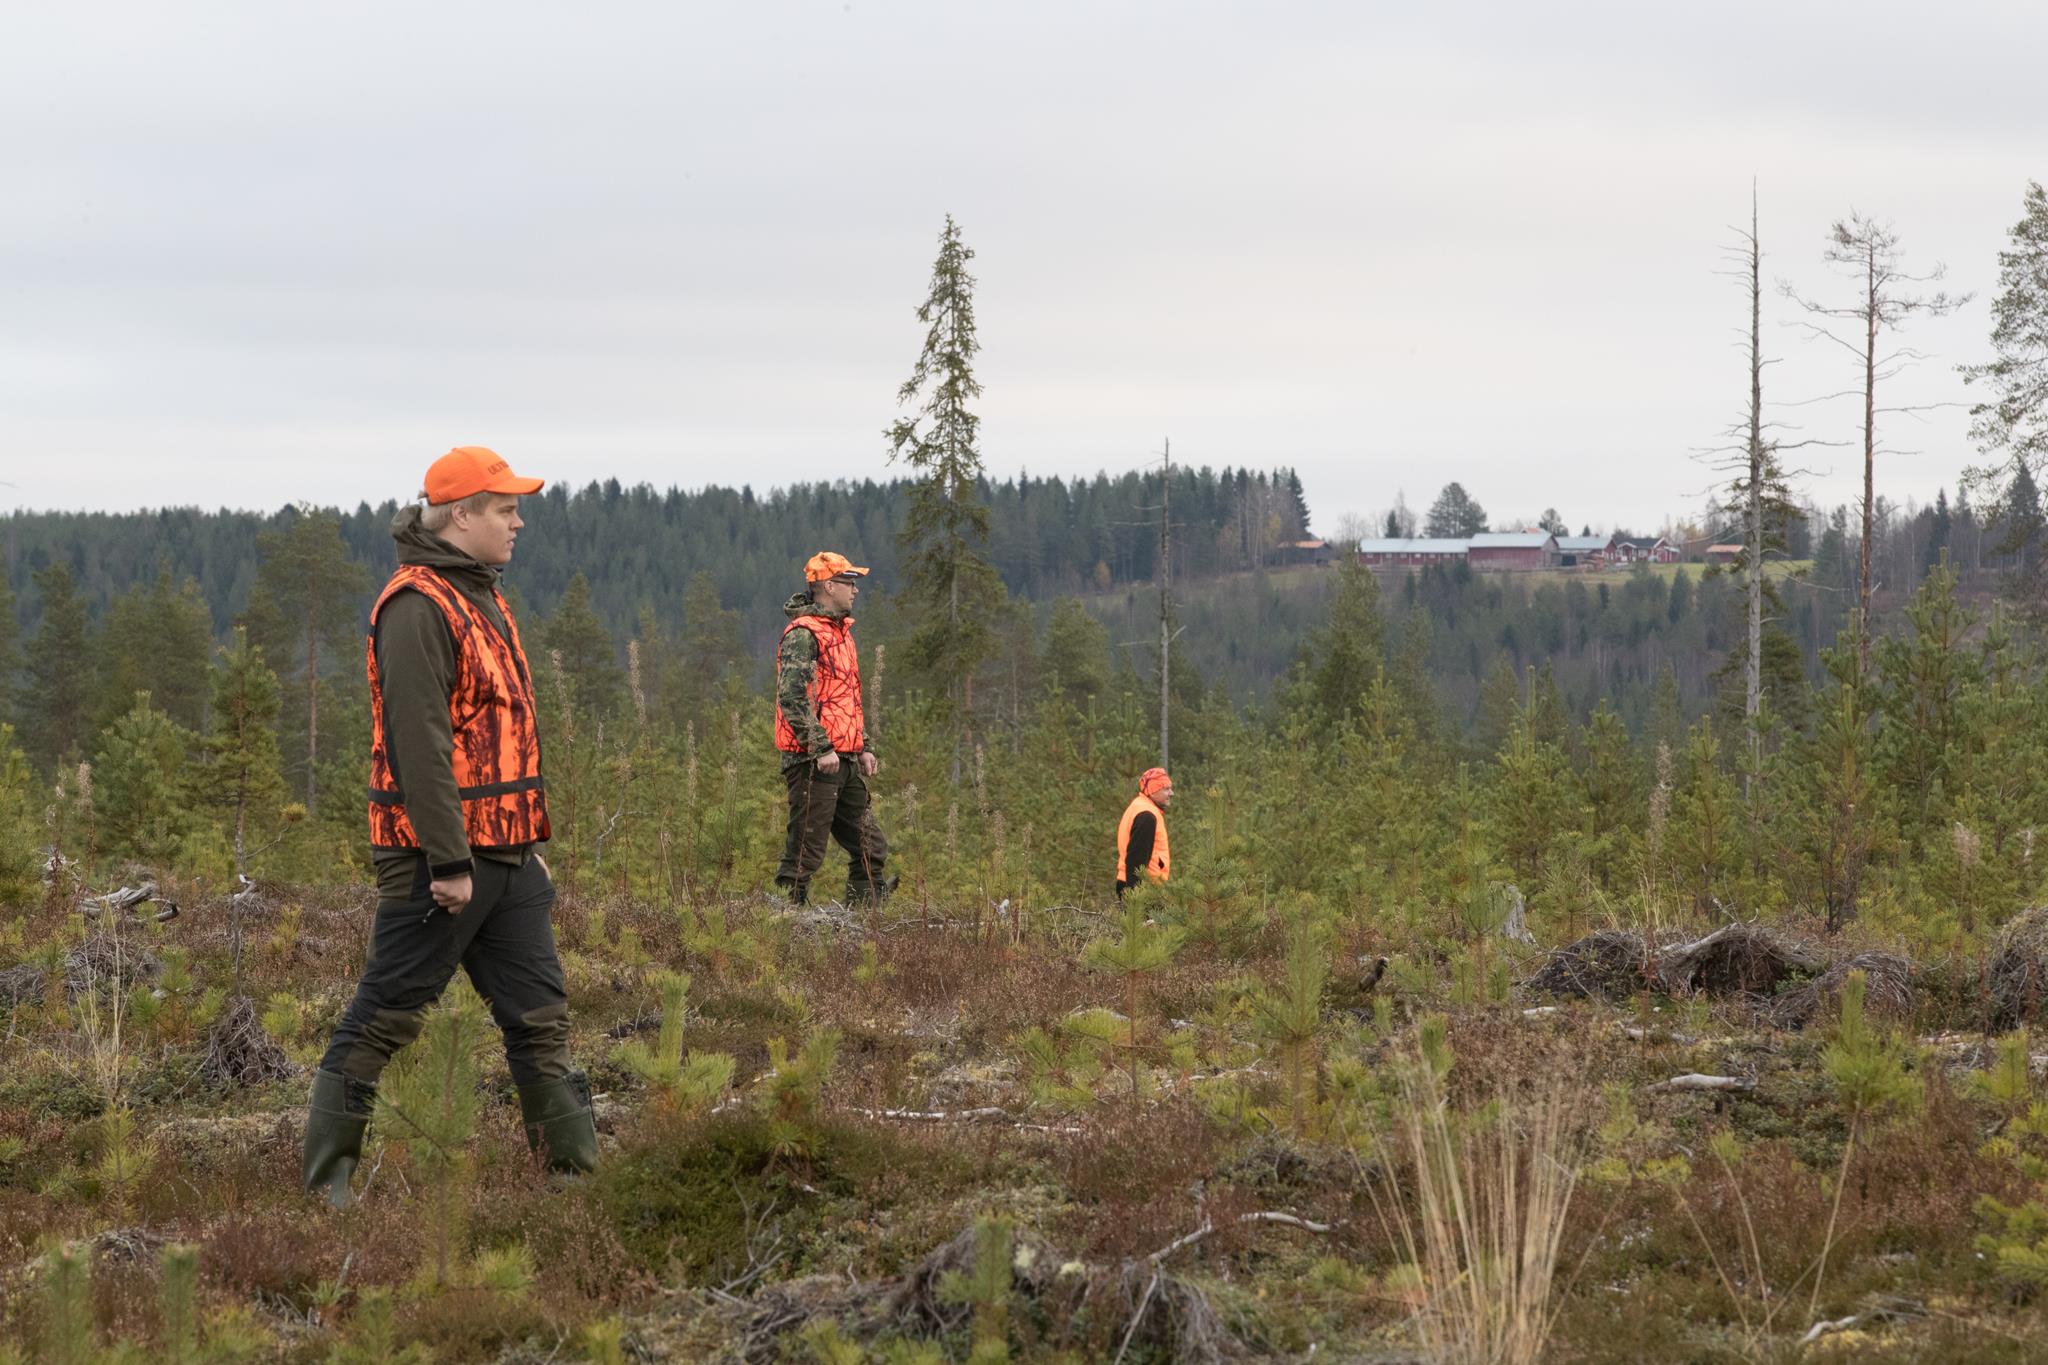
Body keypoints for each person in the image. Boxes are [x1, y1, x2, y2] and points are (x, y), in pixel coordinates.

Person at [302, 446, 596, 1208]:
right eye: (505, 509)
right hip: (441, 865)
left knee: (540, 1018)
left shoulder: (482, 596)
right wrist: (449, 860)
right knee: (385, 1018)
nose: (519, 521)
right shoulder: (415, 607)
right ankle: (325, 1191)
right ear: (461, 514)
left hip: (508, 855)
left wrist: (524, 851)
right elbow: (419, 745)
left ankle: (575, 1185)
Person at [773, 551, 892, 906]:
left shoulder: (840, 634)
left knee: (871, 847)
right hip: (814, 761)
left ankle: (867, 925)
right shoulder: (803, 634)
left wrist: (863, 745)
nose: (854, 590)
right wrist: (820, 748)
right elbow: (791, 696)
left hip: (845, 759)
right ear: (828, 586)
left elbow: (846, 698)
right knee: (804, 852)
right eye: (848, 583)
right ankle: (780, 927)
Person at [1115, 767, 1173, 900]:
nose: (1171, 793)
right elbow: (1136, 860)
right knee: (1142, 922)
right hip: (1143, 889)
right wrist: (1136, 900)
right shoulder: (1147, 816)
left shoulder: (1139, 807)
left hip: (1134, 885)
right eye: (1166, 789)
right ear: (1153, 791)